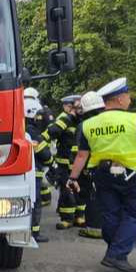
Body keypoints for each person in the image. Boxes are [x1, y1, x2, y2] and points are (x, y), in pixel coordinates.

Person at [68, 78, 136, 272]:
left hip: (101, 175)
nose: (130, 99)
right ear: (118, 99)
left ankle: (116, 252)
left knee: (110, 213)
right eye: (127, 96)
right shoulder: (134, 120)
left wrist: (72, 178)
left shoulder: (88, 125)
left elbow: (82, 155)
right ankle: (116, 254)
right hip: (130, 174)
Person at [44, 94, 81, 229]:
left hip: (74, 162)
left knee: (76, 191)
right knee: (68, 190)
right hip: (66, 162)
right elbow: (52, 132)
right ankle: (69, 218)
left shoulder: (78, 119)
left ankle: (76, 217)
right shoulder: (64, 119)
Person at [75, 91, 106, 240]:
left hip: (92, 167)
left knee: (92, 198)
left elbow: (81, 152)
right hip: (113, 164)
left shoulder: (84, 125)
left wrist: (74, 174)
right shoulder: (111, 121)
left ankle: (94, 228)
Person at [24, 95, 53, 243]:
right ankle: (34, 233)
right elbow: (45, 154)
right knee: (35, 203)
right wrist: (50, 161)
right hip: (34, 173)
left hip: (24, 173)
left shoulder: (21, 128)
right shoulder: (32, 131)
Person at [25, 86, 54, 207]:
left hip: (40, 143)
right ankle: (44, 197)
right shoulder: (39, 108)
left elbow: (50, 127)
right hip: (40, 143)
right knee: (41, 174)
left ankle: (45, 197)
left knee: (41, 176)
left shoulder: (41, 110)